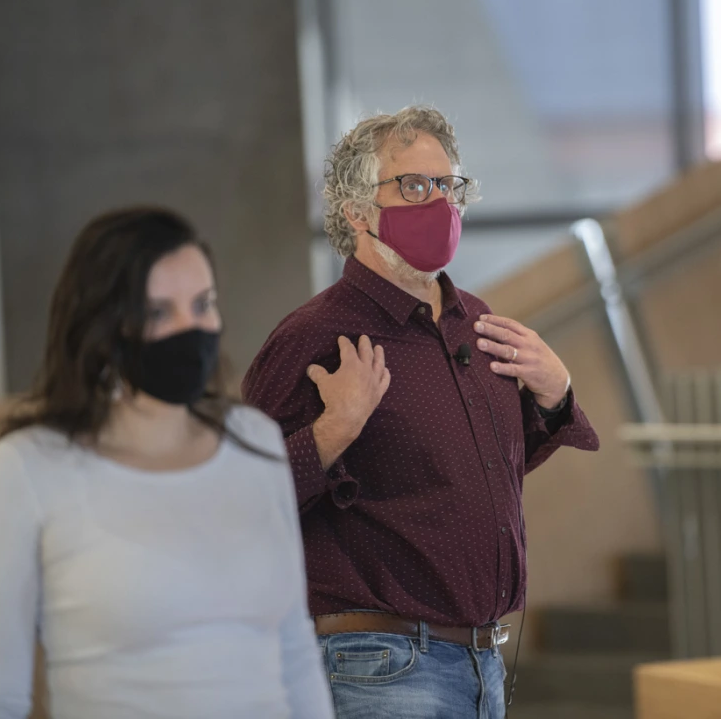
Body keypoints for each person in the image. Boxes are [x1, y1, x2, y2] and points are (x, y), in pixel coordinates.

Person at [242, 105, 600, 718]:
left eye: (448, 186)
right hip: (377, 664)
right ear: (357, 210)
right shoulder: (315, 336)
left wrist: (556, 394)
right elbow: (239, 496)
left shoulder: (477, 323)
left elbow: (475, 477)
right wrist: (331, 433)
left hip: (482, 661)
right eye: (415, 186)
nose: (440, 203)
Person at [0, 207, 334, 719]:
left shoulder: (254, 444)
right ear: (105, 327)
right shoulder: (25, 470)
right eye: (158, 313)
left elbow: (294, 653)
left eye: (202, 305)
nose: (189, 329)